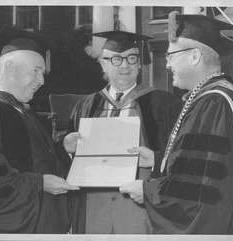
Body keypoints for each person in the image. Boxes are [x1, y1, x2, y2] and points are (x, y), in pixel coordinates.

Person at [120, 11, 233, 234]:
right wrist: (158, 160)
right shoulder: (214, 96)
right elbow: (202, 164)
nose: (167, 65)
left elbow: (200, 188)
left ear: (195, 56)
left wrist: (148, 191)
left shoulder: (213, 102)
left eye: (171, 56)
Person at [0, 25, 80, 233]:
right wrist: (40, 183)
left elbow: (33, 161)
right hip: (17, 228)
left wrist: (62, 146)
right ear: (10, 68)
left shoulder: (23, 111)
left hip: (45, 223)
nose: (41, 80)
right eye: (36, 71)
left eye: (43, 72)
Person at [65, 30, 183, 234]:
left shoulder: (164, 103)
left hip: (141, 209)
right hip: (94, 208)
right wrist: (67, 148)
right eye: (116, 59)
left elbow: (182, 157)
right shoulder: (85, 105)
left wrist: (156, 158)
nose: (125, 65)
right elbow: (68, 166)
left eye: (131, 58)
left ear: (139, 63)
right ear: (103, 63)